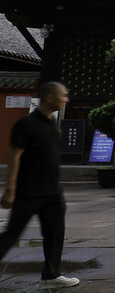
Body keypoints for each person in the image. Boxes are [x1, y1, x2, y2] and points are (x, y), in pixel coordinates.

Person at [0, 82, 80, 290]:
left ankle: (51, 275)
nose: (66, 99)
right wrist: (10, 189)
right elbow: (15, 157)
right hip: (29, 190)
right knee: (12, 233)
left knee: (55, 233)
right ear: (50, 98)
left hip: (52, 191)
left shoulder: (51, 121)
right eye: (63, 95)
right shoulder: (26, 124)